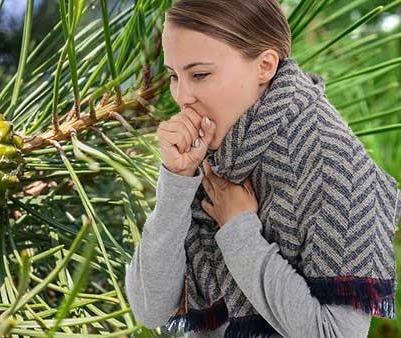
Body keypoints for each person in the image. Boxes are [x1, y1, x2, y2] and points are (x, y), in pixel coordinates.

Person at [124, 1, 401, 337]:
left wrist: (239, 230)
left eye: (199, 75)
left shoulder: (335, 165)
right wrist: (176, 181)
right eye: (173, 76)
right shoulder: (217, 156)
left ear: (265, 66)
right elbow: (149, 307)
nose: (182, 96)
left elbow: (335, 333)